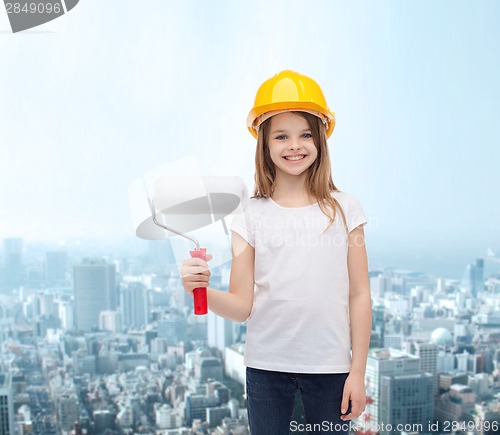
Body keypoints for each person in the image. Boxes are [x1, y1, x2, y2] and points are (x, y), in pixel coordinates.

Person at [181, 70, 371, 434]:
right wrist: (198, 289)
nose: (294, 145)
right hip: (266, 369)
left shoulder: (346, 209)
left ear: (320, 141)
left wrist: (357, 372)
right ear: (264, 145)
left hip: (331, 369)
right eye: (281, 136)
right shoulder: (248, 215)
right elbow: (241, 306)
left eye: (305, 135)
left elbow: (360, 294)